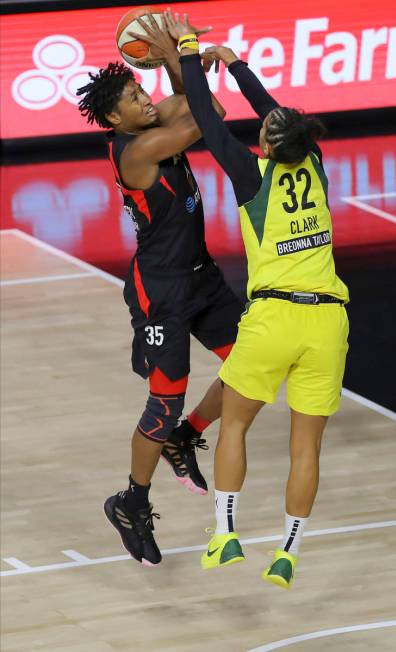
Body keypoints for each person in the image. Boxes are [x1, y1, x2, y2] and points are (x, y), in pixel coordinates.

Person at [159, 14, 349, 588]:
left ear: (266, 143)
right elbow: (275, 111)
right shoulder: (313, 163)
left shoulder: (249, 174)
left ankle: (225, 536)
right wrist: (235, 63)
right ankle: (288, 553)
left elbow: (203, 108)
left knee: (235, 426)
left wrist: (191, 52)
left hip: (273, 317)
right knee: (306, 449)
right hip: (328, 322)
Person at [76, 13, 243, 566]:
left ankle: (184, 435)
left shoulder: (153, 122)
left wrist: (180, 63)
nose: (143, 97)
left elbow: (211, 112)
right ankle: (131, 501)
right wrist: (179, 53)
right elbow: (201, 121)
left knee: (254, 368)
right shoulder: (135, 151)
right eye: (131, 94)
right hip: (162, 290)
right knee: (163, 398)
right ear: (112, 117)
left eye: (140, 84)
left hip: (202, 277)